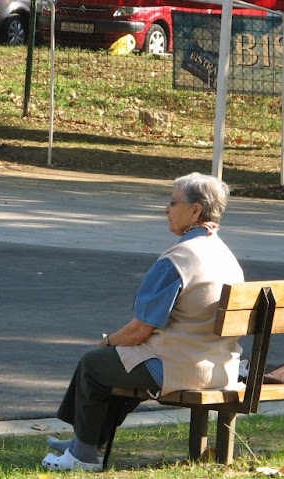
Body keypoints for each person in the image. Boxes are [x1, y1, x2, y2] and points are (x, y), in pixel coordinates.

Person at [41, 172, 245, 471]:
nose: (166, 210)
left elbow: (139, 330)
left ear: (195, 211)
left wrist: (108, 341)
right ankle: (83, 442)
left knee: (95, 363)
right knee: (121, 363)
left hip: (179, 367)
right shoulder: (226, 256)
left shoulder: (178, 258)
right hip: (220, 367)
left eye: (172, 203)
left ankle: (82, 455)